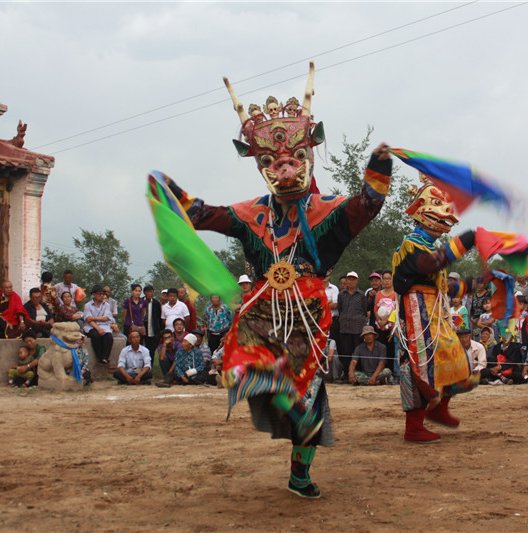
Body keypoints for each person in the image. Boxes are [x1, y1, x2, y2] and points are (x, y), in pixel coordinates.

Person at [161, 69, 392, 497]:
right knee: (257, 370)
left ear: (307, 158)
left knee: (310, 399)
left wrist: (378, 174)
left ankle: (299, 471)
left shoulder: (329, 210)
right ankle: (274, 392)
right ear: (261, 166)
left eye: (293, 160)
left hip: (309, 317)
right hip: (263, 315)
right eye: (271, 162)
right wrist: (172, 193)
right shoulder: (252, 214)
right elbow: (204, 215)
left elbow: (366, 206)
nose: (284, 171)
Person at [393, 177, 498, 444]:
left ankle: (439, 409)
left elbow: (445, 284)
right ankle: (414, 426)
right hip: (416, 314)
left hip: (434, 314)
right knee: (421, 368)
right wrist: (464, 242)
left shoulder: (427, 247)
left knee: (457, 360)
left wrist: (481, 282)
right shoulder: (411, 244)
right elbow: (429, 266)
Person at [337, 271, 367, 377]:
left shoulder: (362, 295)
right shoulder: (341, 294)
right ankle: (346, 373)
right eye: (349, 279)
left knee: (357, 350)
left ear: (357, 281)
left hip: (358, 327)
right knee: (345, 351)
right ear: (346, 280)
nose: (351, 281)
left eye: (353, 279)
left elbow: (364, 310)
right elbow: (340, 309)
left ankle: (357, 373)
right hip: (345, 327)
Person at [83, 285, 118, 365]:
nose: (102, 296)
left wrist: (93, 318)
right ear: (94, 294)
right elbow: (88, 320)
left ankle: (104, 357)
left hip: (104, 325)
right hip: (91, 327)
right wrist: (98, 329)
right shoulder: (88, 305)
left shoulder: (106, 305)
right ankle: (100, 357)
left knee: (108, 337)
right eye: (99, 294)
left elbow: (106, 318)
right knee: (96, 336)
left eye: (103, 294)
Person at [143, 285, 164, 365]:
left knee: (151, 350)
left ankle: (149, 367)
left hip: (153, 330)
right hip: (143, 329)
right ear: (145, 293)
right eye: (148, 292)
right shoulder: (141, 301)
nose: (150, 293)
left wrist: (160, 331)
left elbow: (159, 317)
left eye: (151, 292)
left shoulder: (156, 303)